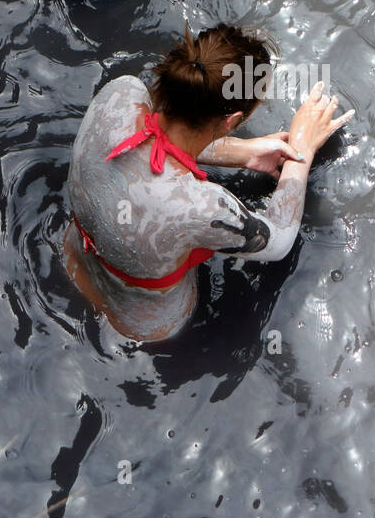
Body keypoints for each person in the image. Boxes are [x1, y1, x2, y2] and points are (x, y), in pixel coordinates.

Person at [63, 25, 353, 341]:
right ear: (230, 122)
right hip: (143, 324)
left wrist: (244, 152)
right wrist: (302, 148)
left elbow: (161, 138)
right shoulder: (203, 206)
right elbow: (278, 241)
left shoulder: (119, 95)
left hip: (72, 261)